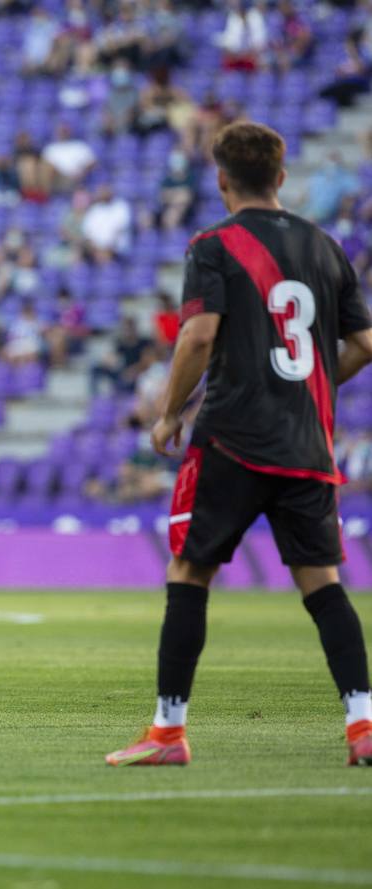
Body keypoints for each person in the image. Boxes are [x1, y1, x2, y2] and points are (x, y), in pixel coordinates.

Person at [107, 122, 372, 768]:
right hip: (307, 443)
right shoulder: (325, 247)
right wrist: (311, 391)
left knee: (190, 571)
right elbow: (363, 344)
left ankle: (169, 732)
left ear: (222, 181)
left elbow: (198, 336)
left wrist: (169, 414)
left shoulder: (215, 245)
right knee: (323, 585)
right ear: (281, 177)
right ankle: (364, 727)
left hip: (232, 438)